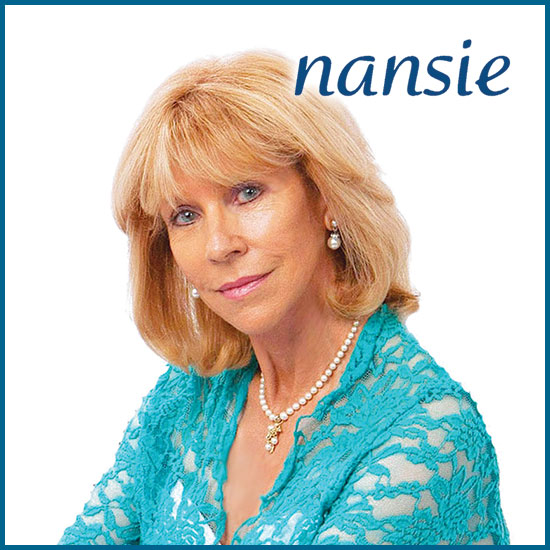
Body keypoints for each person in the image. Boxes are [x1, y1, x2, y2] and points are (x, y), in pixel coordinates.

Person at [59, 50, 509, 545]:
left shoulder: (429, 431)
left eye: (247, 193)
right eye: (185, 216)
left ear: (327, 198)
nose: (218, 245)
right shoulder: (186, 399)